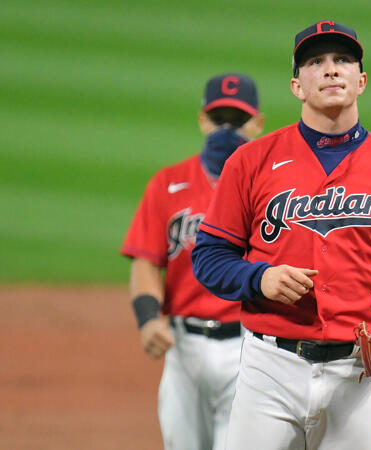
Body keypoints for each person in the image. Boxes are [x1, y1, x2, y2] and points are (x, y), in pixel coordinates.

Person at [190, 21, 371, 450]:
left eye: (343, 60)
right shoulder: (249, 162)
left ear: (360, 81)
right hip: (270, 367)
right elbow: (209, 257)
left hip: (357, 374)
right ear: (297, 85)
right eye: (316, 62)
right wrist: (259, 278)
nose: (331, 70)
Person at [120, 73, 264, 449]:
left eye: (239, 119)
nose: (227, 129)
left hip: (249, 347)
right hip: (183, 351)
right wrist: (148, 318)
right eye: (219, 119)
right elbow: (146, 261)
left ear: (259, 123)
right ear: (202, 119)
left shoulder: (272, 189)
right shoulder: (168, 183)